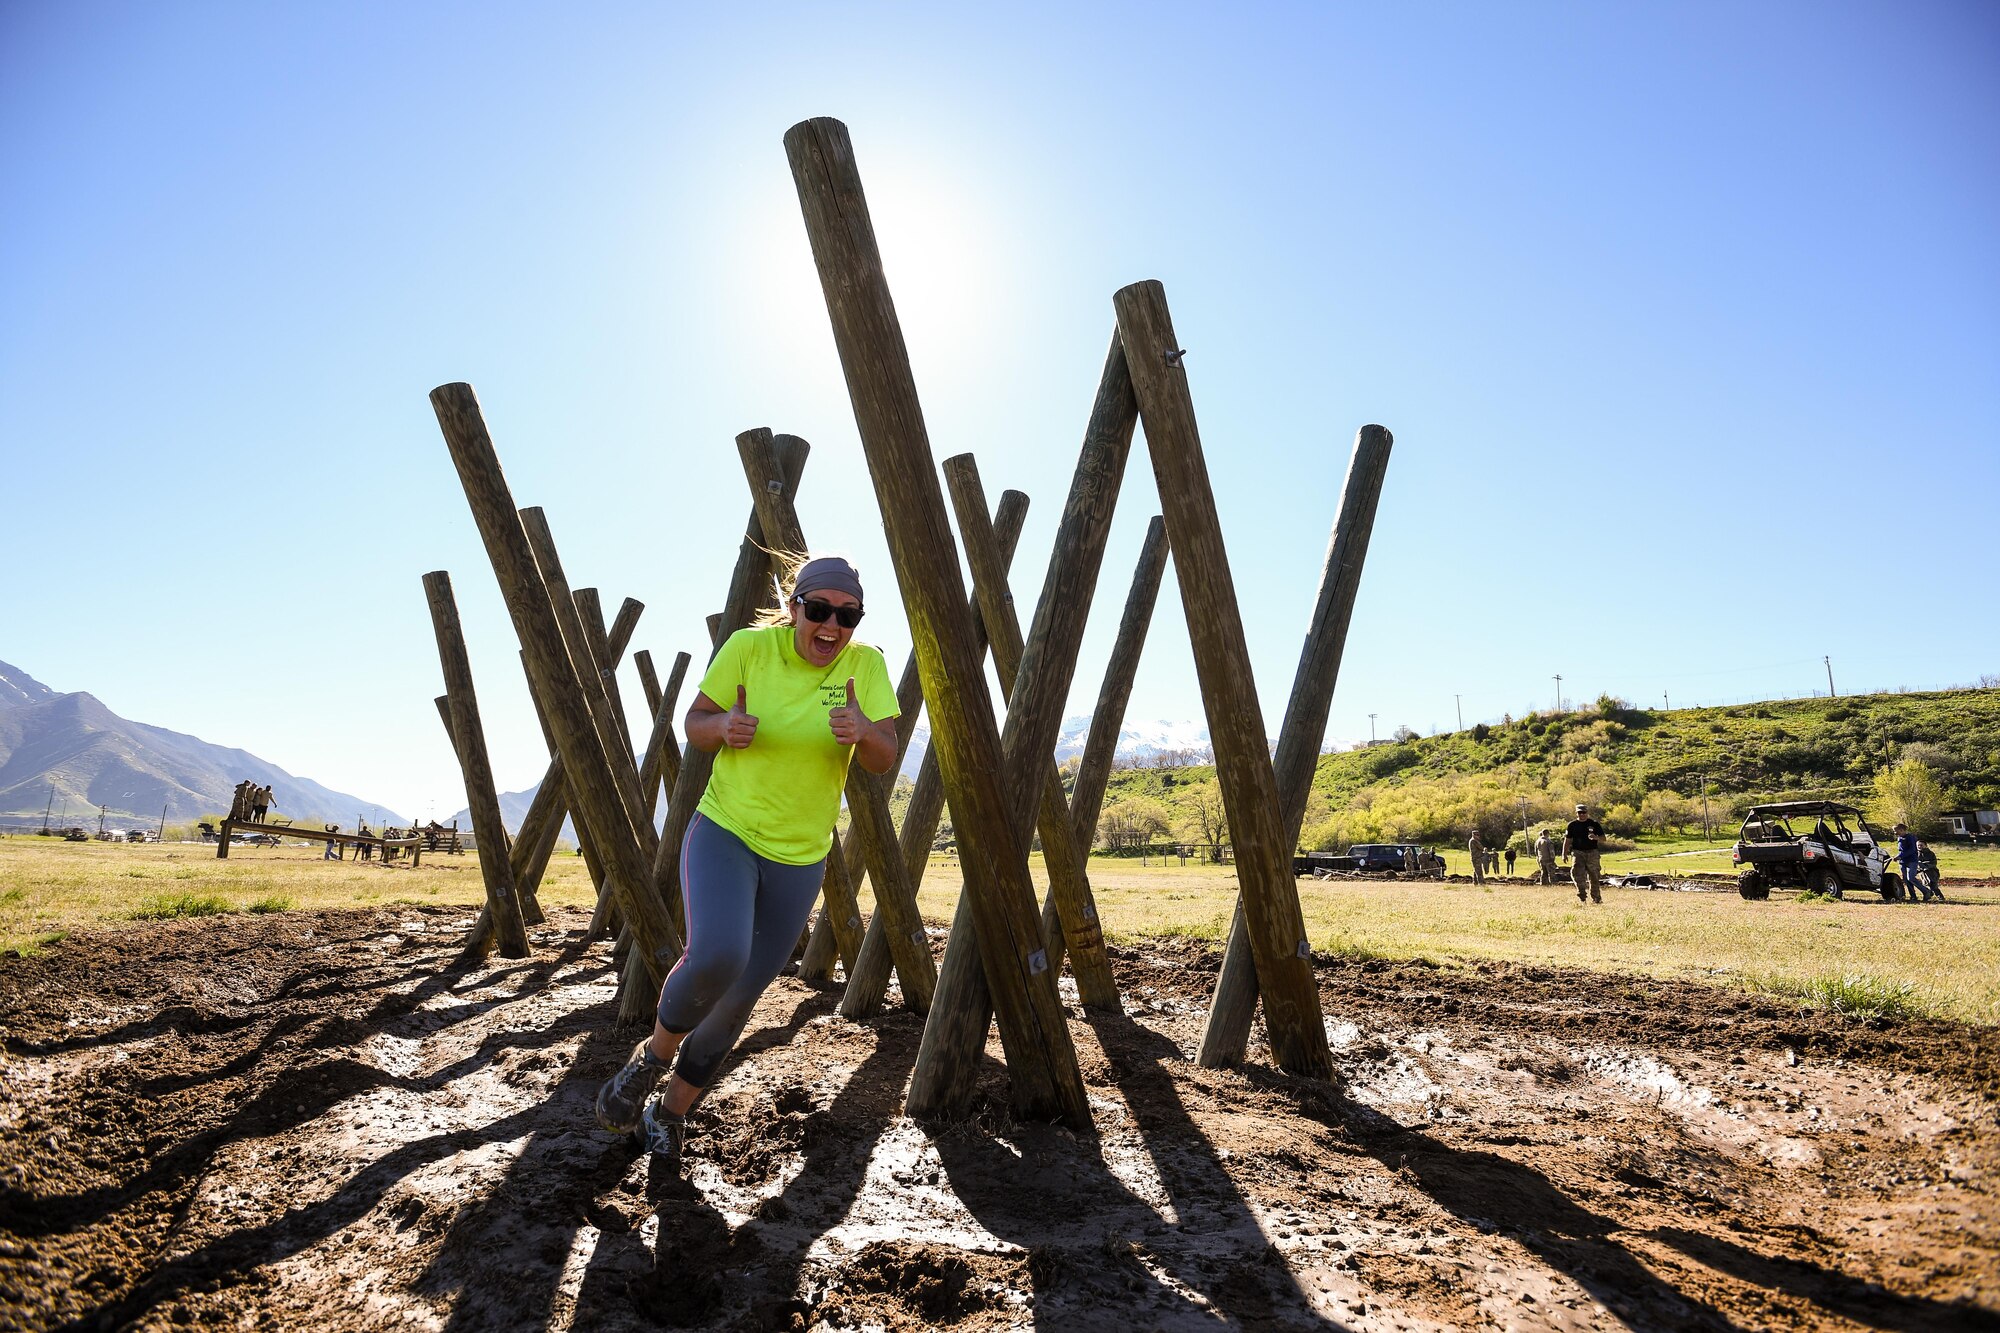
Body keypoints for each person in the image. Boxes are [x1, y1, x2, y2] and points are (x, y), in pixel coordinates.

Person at [595, 554, 898, 1166]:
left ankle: (670, 1114)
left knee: (740, 996)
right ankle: (649, 1061)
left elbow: (882, 757)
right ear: (795, 609)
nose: (832, 626)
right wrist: (725, 724)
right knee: (717, 955)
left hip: (800, 856)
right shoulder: (748, 650)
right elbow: (695, 723)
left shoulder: (866, 667)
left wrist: (866, 729)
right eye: (819, 611)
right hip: (727, 831)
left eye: (847, 616)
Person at [1564, 803, 1606, 904]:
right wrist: (1564, 853)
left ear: (1587, 813)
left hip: (1592, 853)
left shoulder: (1594, 824)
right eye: (1580, 812)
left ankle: (1596, 898)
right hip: (1577, 853)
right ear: (1576, 813)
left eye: (1584, 812)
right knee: (1577, 875)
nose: (1582, 814)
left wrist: (1596, 837)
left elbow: (1603, 839)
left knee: (1594, 876)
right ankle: (1582, 895)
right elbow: (1568, 840)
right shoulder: (1572, 825)